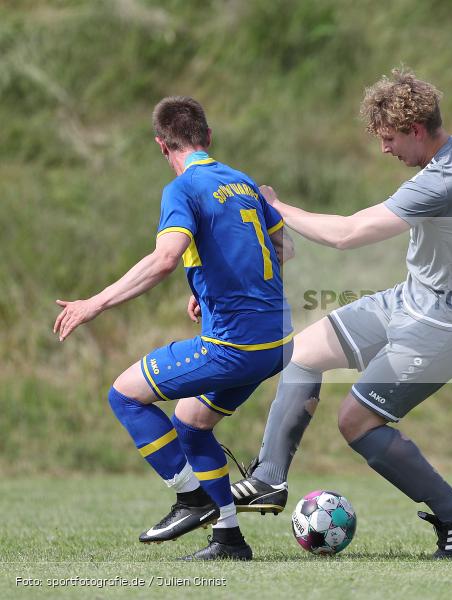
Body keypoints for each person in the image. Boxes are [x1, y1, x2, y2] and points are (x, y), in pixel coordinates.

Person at [228, 68, 452, 558]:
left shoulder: (438, 183)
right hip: (411, 299)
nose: (385, 150)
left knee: (356, 422)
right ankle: (269, 480)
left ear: (417, 130)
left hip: (442, 327)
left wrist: (277, 207)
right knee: (304, 352)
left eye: (389, 139)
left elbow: (346, 234)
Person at [53, 96, 294, 561]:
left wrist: (93, 304)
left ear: (163, 146)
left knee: (124, 394)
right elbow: (279, 247)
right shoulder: (241, 182)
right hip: (278, 343)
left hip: (233, 346)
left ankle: (192, 497)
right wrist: (210, 290)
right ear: (209, 138)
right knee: (192, 423)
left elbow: (165, 259)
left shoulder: (182, 189)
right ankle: (228, 538)